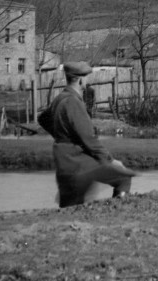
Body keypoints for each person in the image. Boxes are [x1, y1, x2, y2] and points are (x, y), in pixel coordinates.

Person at [42, 61, 136, 207]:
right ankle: (119, 211)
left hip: (64, 163)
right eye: (86, 78)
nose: (87, 81)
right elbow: (89, 139)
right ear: (80, 80)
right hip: (78, 163)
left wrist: (62, 135)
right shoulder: (74, 102)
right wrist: (110, 160)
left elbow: (42, 119)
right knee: (124, 177)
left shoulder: (60, 98)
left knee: (70, 206)